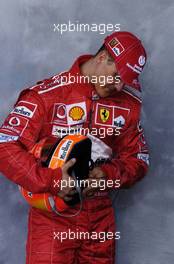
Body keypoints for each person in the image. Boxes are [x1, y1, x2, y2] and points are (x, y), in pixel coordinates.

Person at [0, 31, 149, 263]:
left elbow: (139, 159)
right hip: (52, 217)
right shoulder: (47, 95)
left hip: (100, 218)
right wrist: (51, 180)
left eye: (125, 81)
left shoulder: (128, 105)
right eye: (116, 76)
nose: (119, 87)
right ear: (102, 58)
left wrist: (109, 175)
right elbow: (5, 145)